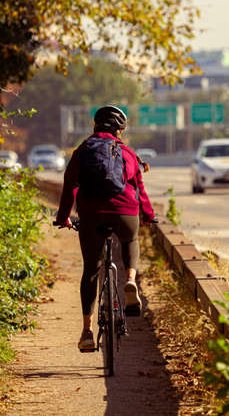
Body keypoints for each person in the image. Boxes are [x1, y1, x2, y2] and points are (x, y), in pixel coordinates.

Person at [55, 105, 156, 351]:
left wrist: (63, 218)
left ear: (95, 127)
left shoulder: (82, 151)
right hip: (124, 211)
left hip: (91, 213)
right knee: (131, 240)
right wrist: (148, 216)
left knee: (91, 270)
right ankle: (130, 280)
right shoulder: (128, 153)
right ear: (120, 130)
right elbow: (139, 190)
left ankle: (87, 331)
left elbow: (70, 186)